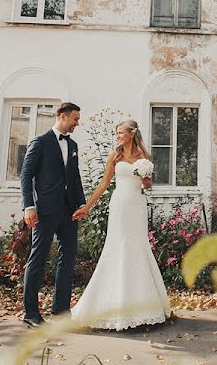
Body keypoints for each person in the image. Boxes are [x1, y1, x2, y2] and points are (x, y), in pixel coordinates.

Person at [71, 119, 172, 330]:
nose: (118, 136)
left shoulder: (145, 157)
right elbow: (104, 184)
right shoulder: (115, 156)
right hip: (119, 205)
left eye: (121, 133)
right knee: (117, 246)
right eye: (116, 133)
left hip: (137, 205)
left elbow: (148, 186)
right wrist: (86, 207)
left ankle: (144, 308)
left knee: (137, 246)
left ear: (132, 134)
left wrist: (146, 182)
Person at [20, 102, 87, 327]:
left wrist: (81, 205)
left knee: (67, 261)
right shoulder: (40, 142)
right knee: (38, 259)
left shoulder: (73, 145)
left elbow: (75, 178)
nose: (77, 123)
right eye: (75, 119)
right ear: (62, 116)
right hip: (45, 211)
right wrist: (28, 206)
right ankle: (30, 314)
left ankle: (61, 311)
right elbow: (26, 175)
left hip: (69, 212)